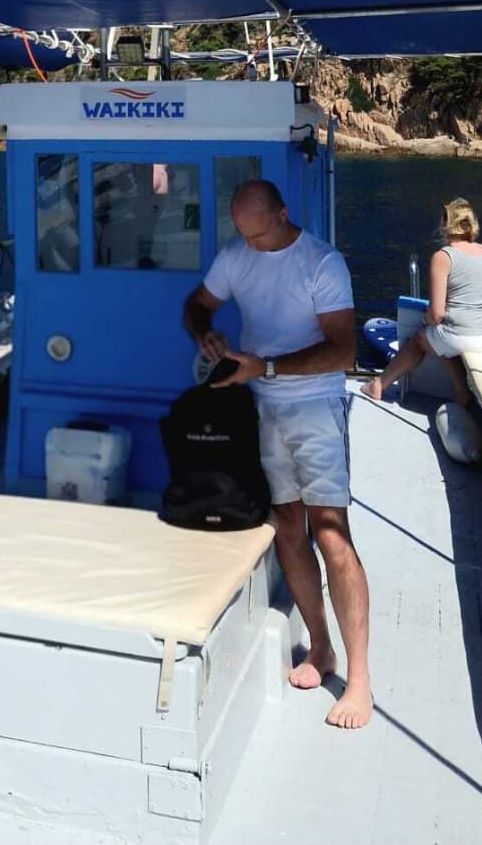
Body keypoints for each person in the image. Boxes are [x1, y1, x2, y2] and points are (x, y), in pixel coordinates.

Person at [182, 180, 372, 730]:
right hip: (263, 409)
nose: (253, 247)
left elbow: (343, 350)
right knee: (287, 525)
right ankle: (321, 647)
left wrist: (263, 368)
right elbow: (198, 305)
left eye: (261, 234)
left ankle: (358, 679)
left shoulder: (322, 263)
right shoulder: (236, 255)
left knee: (332, 534)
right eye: (244, 236)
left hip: (314, 408)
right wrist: (207, 336)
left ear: (283, 214)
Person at [362, 197, 482, 405]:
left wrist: (427, 323)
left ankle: (378, 385)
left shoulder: (444, 257)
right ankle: (461, 392)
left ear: (446, 223)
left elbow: (436, 314)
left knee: (422, 338)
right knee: (442, 339)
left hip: (464, 336)